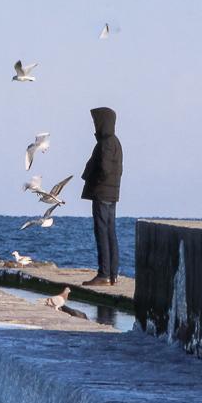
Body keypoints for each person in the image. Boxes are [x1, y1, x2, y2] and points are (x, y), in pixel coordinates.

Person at [80, 106, 123, 285]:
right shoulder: (115, 141)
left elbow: (104, 169)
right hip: (112, 193)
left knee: (102, 232)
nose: (94, 125)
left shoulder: (105, 143)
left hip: (103, 192)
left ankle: (103, 274)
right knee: (110, 233)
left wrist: (95, 183)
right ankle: (112, 274)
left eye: (96, 121)